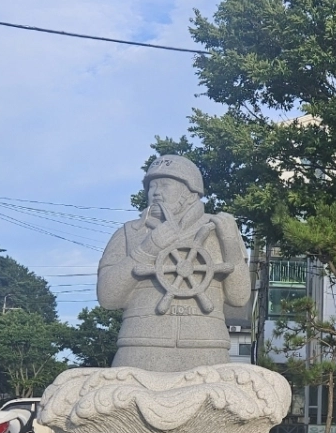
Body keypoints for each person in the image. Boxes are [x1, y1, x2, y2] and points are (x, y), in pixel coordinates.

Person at [97, 155, 251, 371]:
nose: (155, 192)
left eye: (165, 185)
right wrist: (147, 248)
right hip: (139, 349)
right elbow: (108, 297)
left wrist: (231, 244)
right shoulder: (128, 233)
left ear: (190, 192)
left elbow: (239, 297)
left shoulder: (221, 232)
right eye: (152, 186)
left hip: (207, 350)